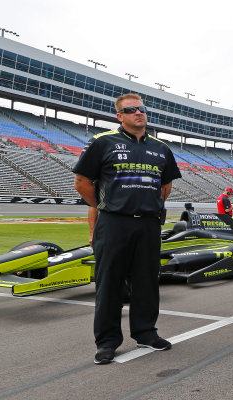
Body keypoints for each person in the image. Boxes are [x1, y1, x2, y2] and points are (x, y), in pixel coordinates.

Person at [73, 93, 181, 365]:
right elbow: (82, 181)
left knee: (147, 281)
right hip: (113, 222)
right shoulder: (102, 142)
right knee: (109, 283)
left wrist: (148, 203)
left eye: (142, 109)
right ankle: (107, 341)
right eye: (131, 110)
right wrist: (106, 205)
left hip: (147, 222)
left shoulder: (161, 148)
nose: (139, 113)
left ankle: (146, 332)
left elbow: (166, 186)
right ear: (119, 116)